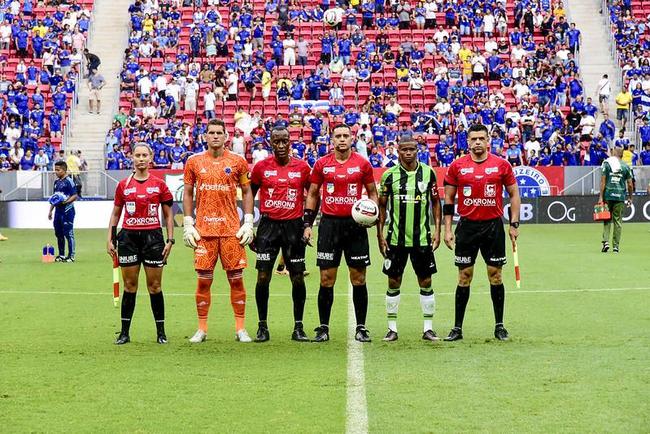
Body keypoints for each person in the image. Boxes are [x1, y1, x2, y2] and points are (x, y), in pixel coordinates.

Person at [442, 123, 521, 341]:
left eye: (481, 139)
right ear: (467, 142)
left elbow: (514, 194)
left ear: (488, 141)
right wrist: (448, 230)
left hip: (493, 226)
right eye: (473, 139)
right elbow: (448, 200)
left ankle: (499, 326)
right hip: (467, 227)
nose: (477, 142)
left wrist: (514, 224)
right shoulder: (457, 166)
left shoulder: (501, 165)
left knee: (495, 276)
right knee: (464, 276)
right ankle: (457, 328)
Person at [303, 124, 379, 342]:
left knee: (359, 278)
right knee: (326, 278)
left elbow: (373, 192)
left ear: (352, 138)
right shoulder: (321, 164)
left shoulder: (362, 164)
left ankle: (361, 327)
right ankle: (323, 327)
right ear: (332, 140)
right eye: (338, 136)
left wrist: (372, 215)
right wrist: (308, 223)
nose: (342, 139)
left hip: (355, 227)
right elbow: (313, 194)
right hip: (329, 226)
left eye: (346, 136)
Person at [182, 119, 255, 343]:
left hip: (231, 230)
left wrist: (249, 221)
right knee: (203, 281)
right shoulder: (194, 162)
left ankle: (240, 328)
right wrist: (187, 222)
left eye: (219, 133)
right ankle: (202, 329)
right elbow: (187, 193)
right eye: (211, 132)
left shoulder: (238, 161)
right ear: (205, 136)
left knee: (236, 280)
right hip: (204, 231)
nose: (215, 136)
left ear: (226, 136)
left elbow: (247, 190)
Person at [107, 143, 175, 345]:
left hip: (153, 238)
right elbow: (116, 214)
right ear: (132, 158)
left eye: (145, 155)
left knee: (155, 286)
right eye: (137, 155)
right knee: (130, 286)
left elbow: (168, 215)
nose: (141, 158)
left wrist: (170, 239)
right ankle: (124, 333)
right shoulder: (123, 185)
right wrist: (110, 238)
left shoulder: (160, 184)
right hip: (128, 237)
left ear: (151, 157)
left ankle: (161, 332)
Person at [249, 127, 312, 342]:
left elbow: (313, 195)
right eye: (277, 141)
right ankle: (262, 327)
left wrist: (307, 223)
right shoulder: (261, 168)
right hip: (268, 227)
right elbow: (250, 193)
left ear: (290, 141)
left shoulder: (302, 168)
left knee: (297, 278)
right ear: (271, 143)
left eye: (285, 140)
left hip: (294, 227)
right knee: (263, 277)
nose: (282, 145)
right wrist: (250, 225)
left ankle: (298, 327)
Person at [377, 140, 442, 342]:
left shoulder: (428, 173)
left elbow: (436, 203)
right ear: (398, 152)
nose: (408, 153)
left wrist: (437, 231)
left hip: (421, 239)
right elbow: (381, 207)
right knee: (394, 281)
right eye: (404, 149)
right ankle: (392, 328)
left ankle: (428, 328)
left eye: (411, 149)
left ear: (417, 151)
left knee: (426, 281)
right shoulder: (389, 175)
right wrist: (379, 235)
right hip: (395, 239)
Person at [598, 145, 634, 253]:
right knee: (618, 221)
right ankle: (616, 246)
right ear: (622, 155)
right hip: (619, 196)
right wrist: (630, 197)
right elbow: (630, 184)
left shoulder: (607, 163)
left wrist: (600, 197)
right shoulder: (626, 166)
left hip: (608, 195)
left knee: (606, 219)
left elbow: (603, 182)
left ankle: (606, 242)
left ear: (614, 153)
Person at [48, 161, 78, 262]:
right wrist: (50, 211)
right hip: (58, 211)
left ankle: (71, 256)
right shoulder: (56, 182)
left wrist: (65, 202)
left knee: (68, 233)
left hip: (67, 211)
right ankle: (61, 255)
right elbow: (54, 198)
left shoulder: (69, 181)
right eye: (55, 169)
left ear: (64, 170)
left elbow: (75, 195)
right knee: (58, 233)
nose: (56, 172)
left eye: (58, 170)